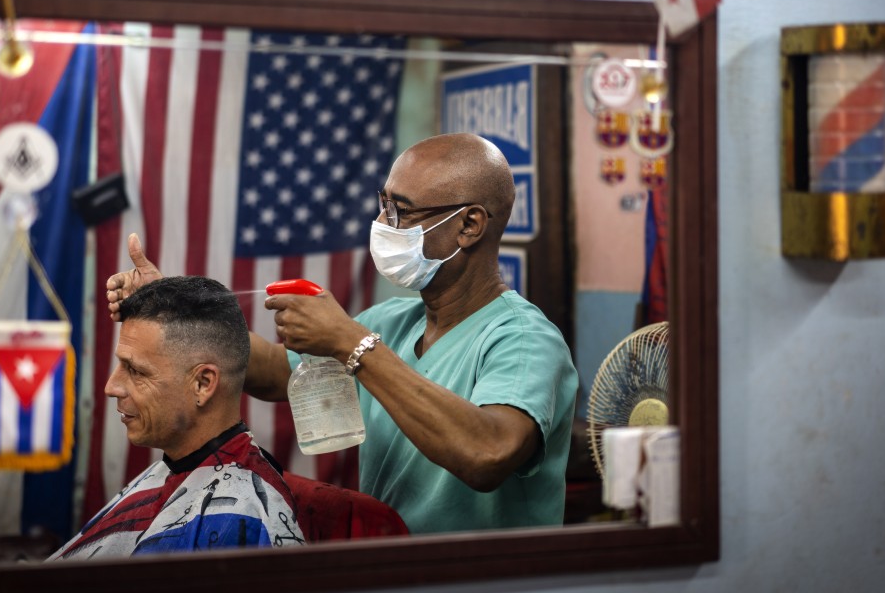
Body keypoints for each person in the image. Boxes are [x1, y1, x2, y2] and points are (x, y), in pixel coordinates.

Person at [106, 133, 578, 534]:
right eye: (383, 206)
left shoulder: (522, 340)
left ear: (469, 225)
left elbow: (487, 452)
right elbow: (274, 373)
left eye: (402, 213)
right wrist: (174, 306)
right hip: (393, 578)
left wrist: (354, 345)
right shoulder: (394, 321)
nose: (382, 226)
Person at [50, 276, 305, 560]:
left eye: (136, 371)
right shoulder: (175, 472)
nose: (111, 387)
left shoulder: (245, 518)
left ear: (203, 384)